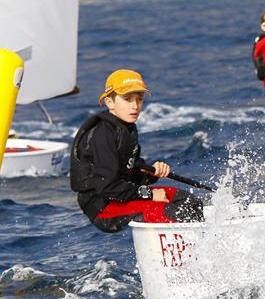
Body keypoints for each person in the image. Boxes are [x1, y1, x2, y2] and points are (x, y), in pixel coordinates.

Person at [70, 69, 207, 233]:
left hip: (122, 196)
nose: (135, 106)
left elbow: (129, 174)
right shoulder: (103, 134)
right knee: (175, 213)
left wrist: (151, 174)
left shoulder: (126, 128)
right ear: (110, 102)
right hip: (103, 206)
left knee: (189, 201)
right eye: (127, 99)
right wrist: (148, 194)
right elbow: (107, 187)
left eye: (139, 99)